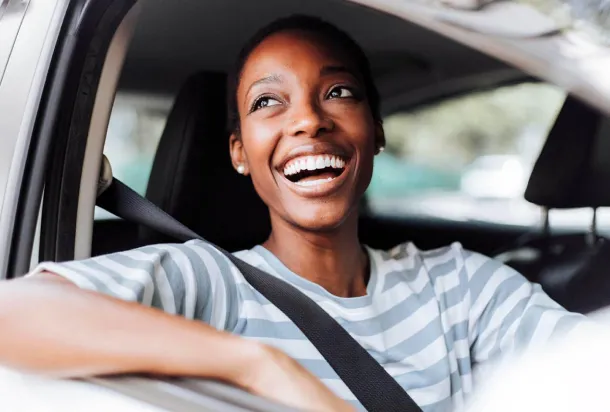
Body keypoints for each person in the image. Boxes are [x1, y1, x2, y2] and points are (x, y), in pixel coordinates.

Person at [0, 15, 586, 412]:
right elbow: (13, 312)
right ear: (239, 154)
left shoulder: (461, 285)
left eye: (338, 93)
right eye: (267, 102)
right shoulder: (210, 281)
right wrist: (261, 366)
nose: (308, 120)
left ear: (375, 132)